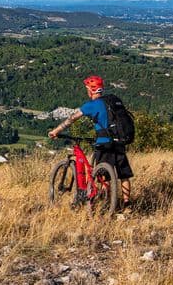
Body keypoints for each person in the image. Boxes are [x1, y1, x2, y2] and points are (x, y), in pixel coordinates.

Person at [48, 75, 133, 209]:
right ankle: (127, 205)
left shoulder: (92, 105)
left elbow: (72, 119)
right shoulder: (112, 101)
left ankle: (107, 204)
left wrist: (56, 131)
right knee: (124, 175)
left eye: (87, 88)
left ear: (91, 90)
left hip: (105, 143)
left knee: (104, 176)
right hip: (120, 141)